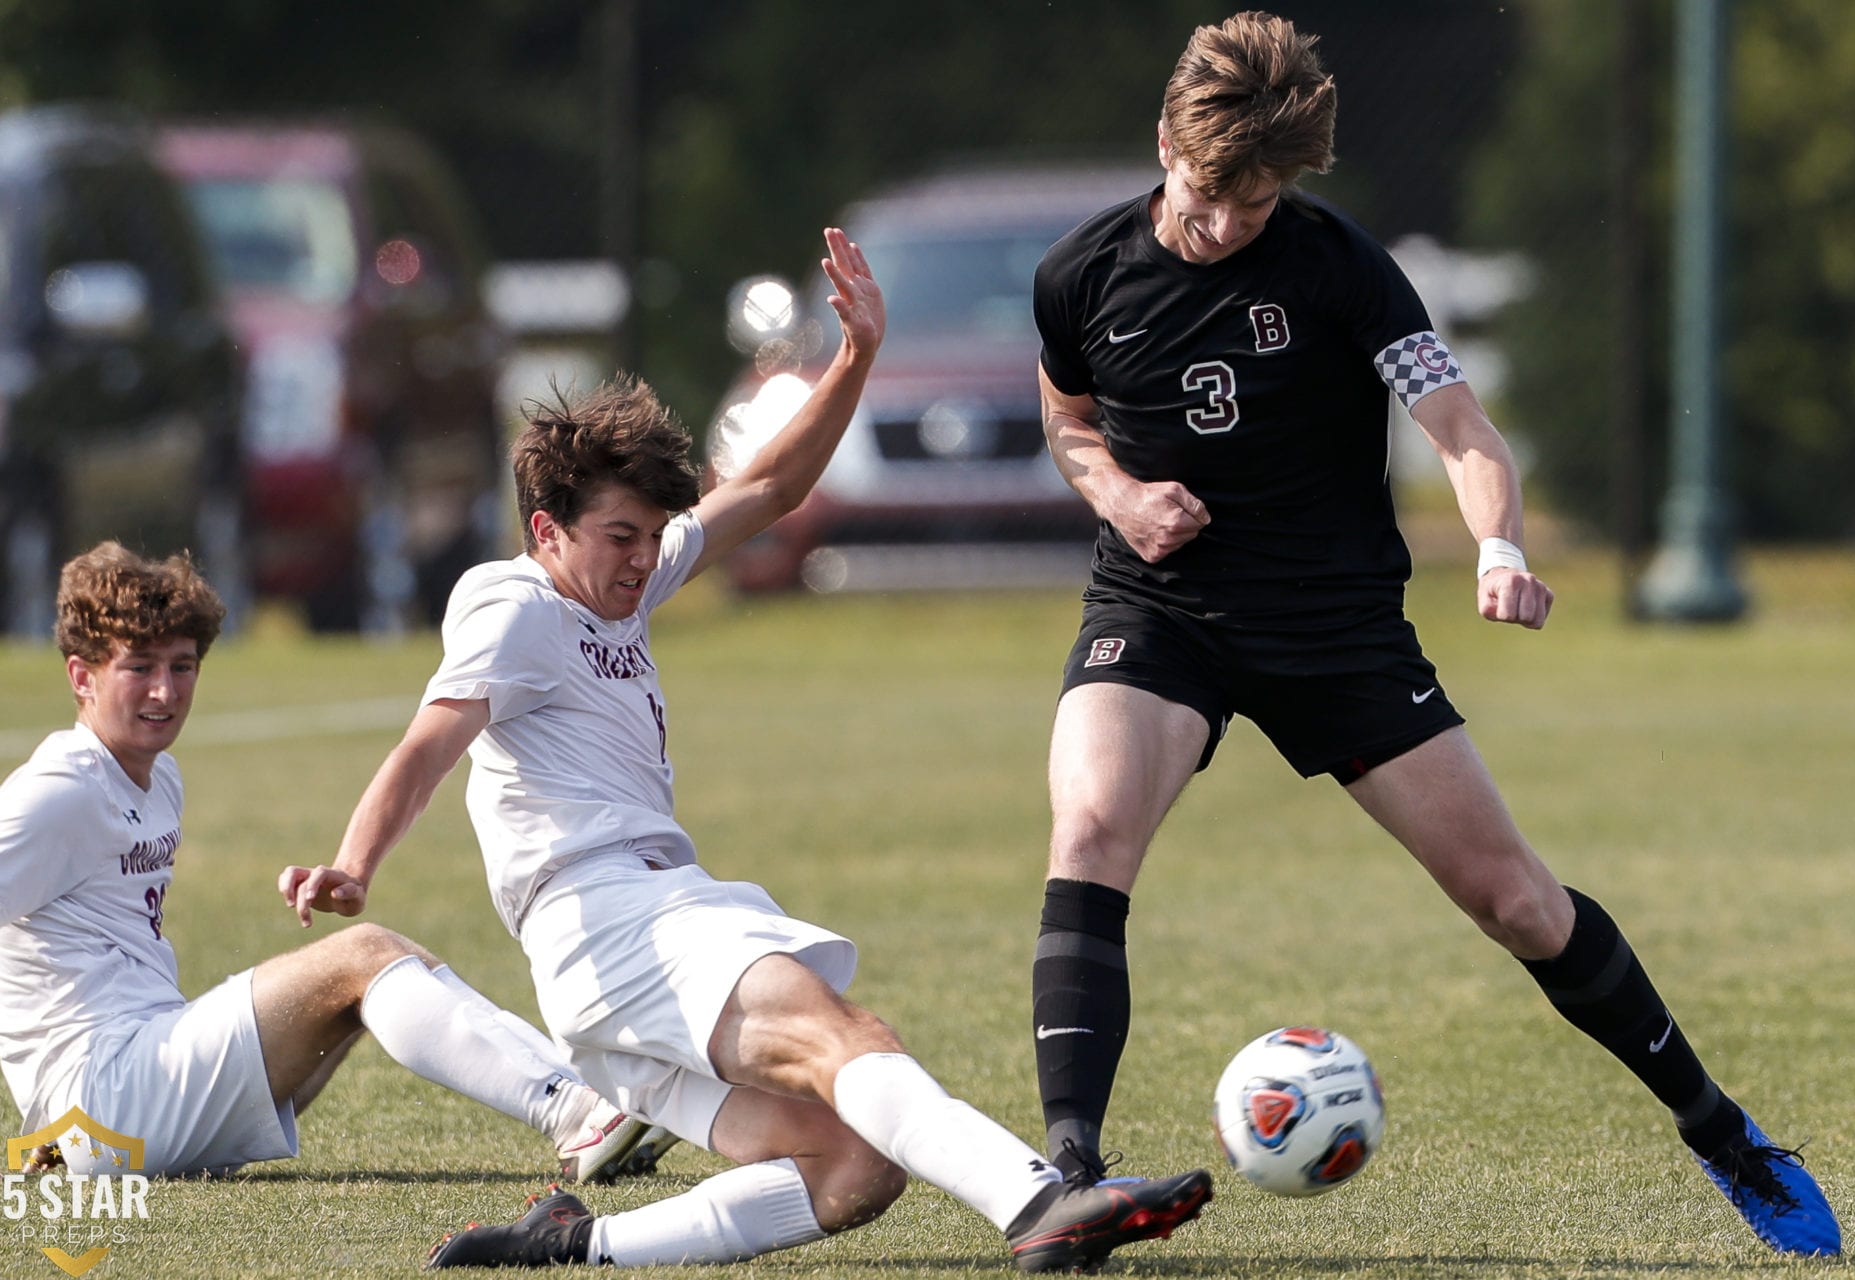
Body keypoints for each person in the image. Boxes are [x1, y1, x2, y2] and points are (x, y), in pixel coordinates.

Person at [1025, 10, 1839, 1258]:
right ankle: (1072, 1178)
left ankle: (1722, 1130)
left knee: (1517, 900)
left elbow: (1459, 426)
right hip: (1162, 607)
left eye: (1256, 203)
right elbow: (1070, 417)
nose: (1228, 225)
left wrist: (1500, 546)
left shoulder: (1338, 265)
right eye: (1208, 197)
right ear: (1164, 147)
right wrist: (1120, 496)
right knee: (1088, 828)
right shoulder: (1080, 273)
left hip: (1336, 626)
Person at [278, 228, 1211, 1273]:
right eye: (620, 537)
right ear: (546, 530)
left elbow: (769, 487)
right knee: (850, 1038)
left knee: (853, 1164)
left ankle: (574, 1246)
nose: (645, 559)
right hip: (616, 917)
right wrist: (354, 861)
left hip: (615, 954)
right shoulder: (514, 603)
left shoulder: (619, 586)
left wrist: (854, 357)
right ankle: (1041, 1203)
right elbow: (427, 746)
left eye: (653, 535)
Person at [0, 542, 662, 1183]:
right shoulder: (62, 790)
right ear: (82, 677)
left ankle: (597, 1104)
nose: (165, 691)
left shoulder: (156, 777)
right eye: (139, 668)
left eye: (182, 665)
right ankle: (573, 1114)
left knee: (390, 966)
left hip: (132, 1078)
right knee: (362, 956)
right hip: (99, 1098)